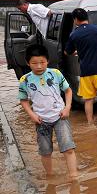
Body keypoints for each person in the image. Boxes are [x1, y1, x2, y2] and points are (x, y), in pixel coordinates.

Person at [18, 44, 78, 179]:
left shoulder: (55, 74)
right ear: (28, 63)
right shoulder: (25, 80)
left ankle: (74, 177)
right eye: (34, 63)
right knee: (45, 152)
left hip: (60, 116)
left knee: (68, 148)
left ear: (48, 61)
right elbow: (23, 100)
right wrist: (32, 115)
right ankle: (50, 176)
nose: (39, 66)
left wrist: (67, 107)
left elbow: (68, 91)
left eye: (42, 62)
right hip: (41, 120)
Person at [65, 8, 97, 126]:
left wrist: (77, 52)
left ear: (75, 20)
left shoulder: (74, 34)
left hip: (85, 72)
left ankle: (90, 123)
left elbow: (67, 52)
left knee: (88, 99)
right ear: (86, 18)